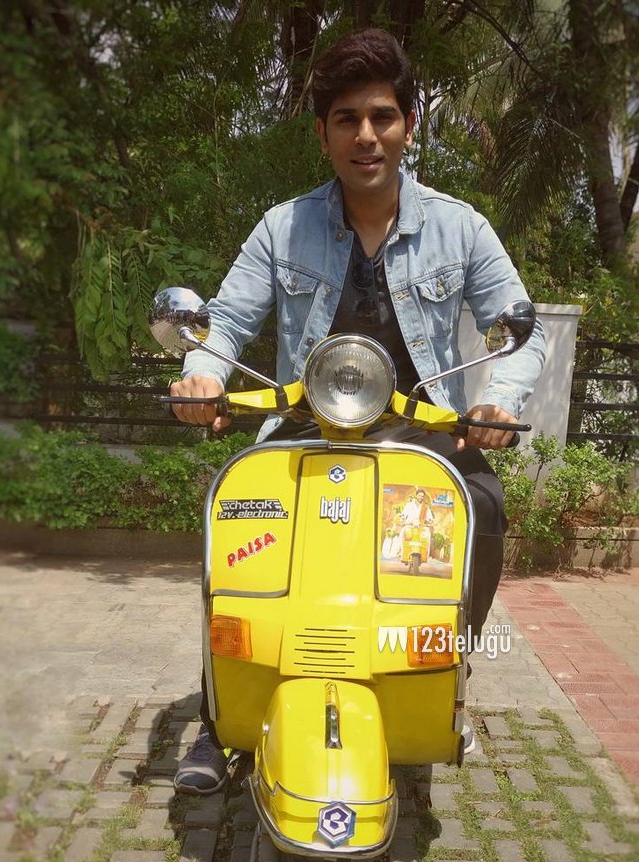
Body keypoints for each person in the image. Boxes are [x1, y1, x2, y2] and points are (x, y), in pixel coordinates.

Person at [170, 28, 545, 793]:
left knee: (481, 505)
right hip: (303, 429)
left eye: (382, 116)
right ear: (323, 133)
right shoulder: (283, 226)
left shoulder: (460, 226)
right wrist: (203, 376)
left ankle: (435, 673)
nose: (365, 135)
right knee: (233, 522)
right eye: (346, 118)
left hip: (419, 432)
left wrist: (496, 402)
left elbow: (518, 328)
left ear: (408, 125)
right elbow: (225, 324)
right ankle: (220, 716)